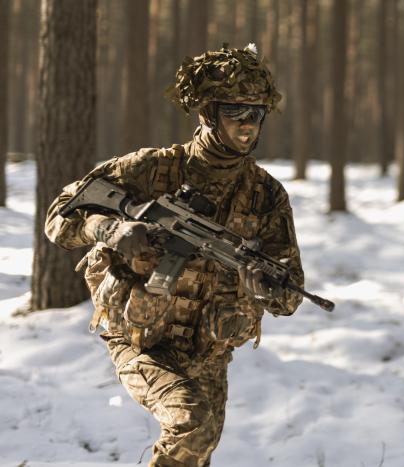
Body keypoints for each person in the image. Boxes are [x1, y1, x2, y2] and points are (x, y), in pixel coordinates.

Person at [45, 44, 304, 467]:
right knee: (193, 425)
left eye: (255, 114)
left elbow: (290, 294)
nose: (247, 126)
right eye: (235, 113)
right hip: (140, 341)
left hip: (210, 352)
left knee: (194, 454)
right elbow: (59, 216)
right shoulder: (152, 169)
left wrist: (263, 290)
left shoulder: (265, 195)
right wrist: (110, 228)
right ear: (208, 113)